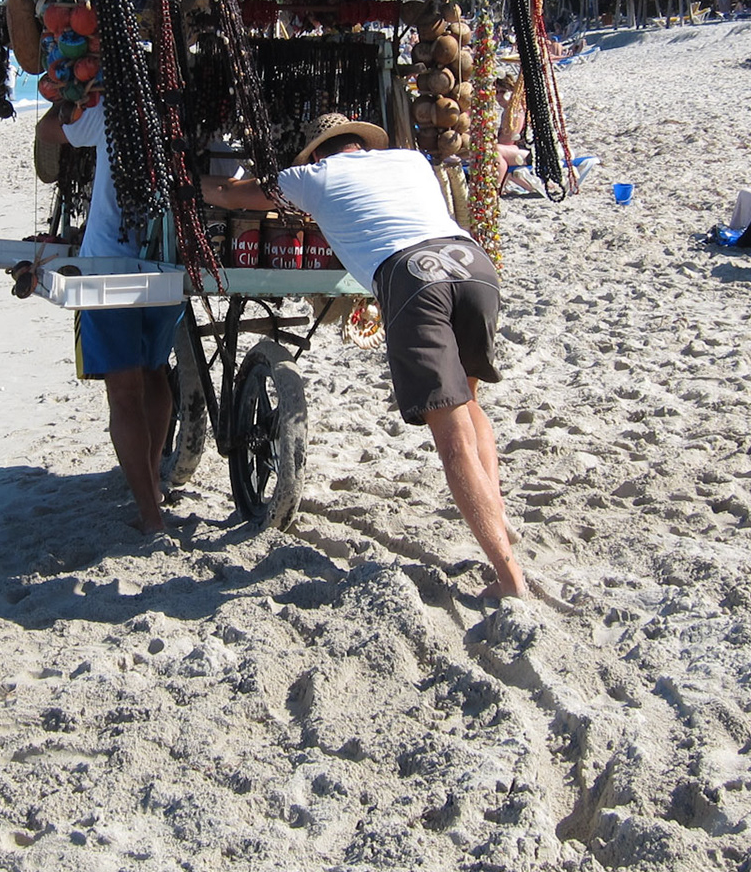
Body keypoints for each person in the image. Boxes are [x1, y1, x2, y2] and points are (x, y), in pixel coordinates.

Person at [203, 114, 526, 600]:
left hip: (415, 278)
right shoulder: (411, 159)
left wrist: (188, 183)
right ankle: (498, 518)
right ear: (361, 143)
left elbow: (231, 195)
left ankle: (508, 577)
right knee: (470, 403)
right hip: (473, 265)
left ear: (317, 153)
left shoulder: (311, 178)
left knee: (450, 435)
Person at [36, 99, 182, 536]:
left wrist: (69, 98)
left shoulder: (111, 115)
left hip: (107, 265)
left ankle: (150, 516)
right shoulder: (182, 115)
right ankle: (152, 484)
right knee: (155, 372)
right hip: (165, 261)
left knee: (123, 391)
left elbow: (47, 132)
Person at [494, 75, 544, 196]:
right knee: (493, 150)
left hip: (528, 152)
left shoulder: (516, 112)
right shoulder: (508, 111)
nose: (498, 96)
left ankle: (496, 188)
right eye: (496, 92)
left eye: (503, 92)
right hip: (519, 151)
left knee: (494, 150)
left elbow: (508, 140)